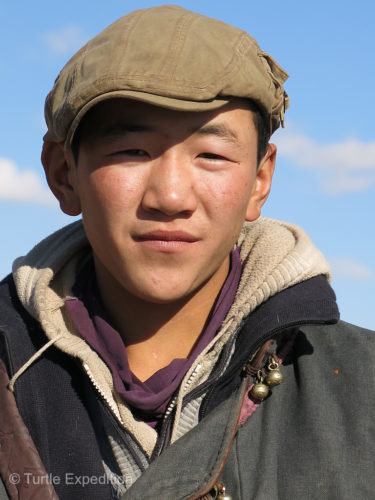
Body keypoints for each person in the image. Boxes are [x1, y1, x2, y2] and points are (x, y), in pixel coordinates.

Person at [0, 5, 374, 499]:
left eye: (212, 156)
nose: (170, 197)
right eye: (132, 151)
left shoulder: (362, 389)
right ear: (63, 174)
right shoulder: (13, 364)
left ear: (260, 180)